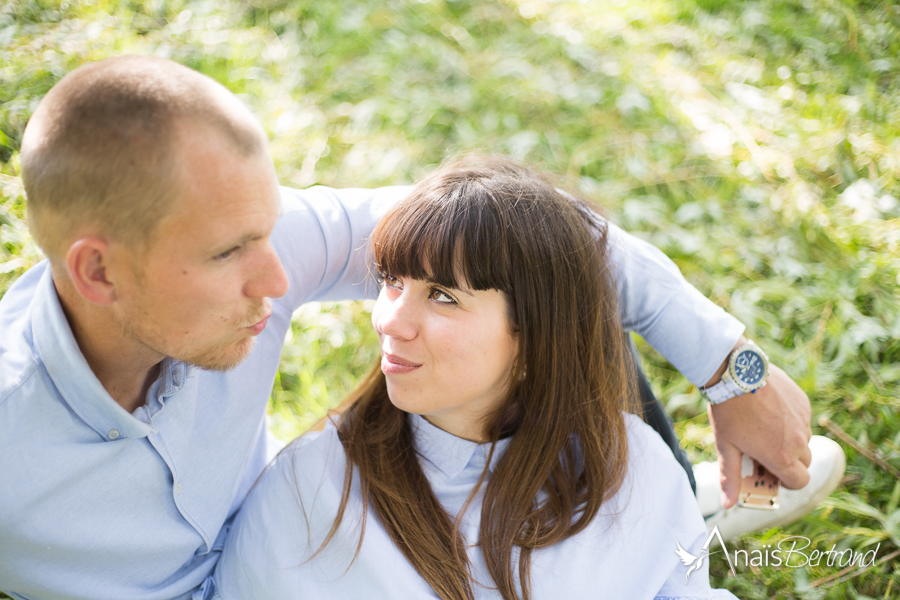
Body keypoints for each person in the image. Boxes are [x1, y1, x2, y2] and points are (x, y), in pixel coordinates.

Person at [0, 55, 829, 600]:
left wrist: (733, 370)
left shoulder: (260, 250)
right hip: (309, 556)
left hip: (319, 541)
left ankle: (659, 527)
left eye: (269, 229)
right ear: (97, 272)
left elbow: (538, 232)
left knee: (533, 302)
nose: (282, 279)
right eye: (230, 253)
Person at [214, 156, 738, 599]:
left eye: (443, 296)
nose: (388, 320)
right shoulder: (311, 495)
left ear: (535, 335)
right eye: (392, 282)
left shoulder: (638, 471)